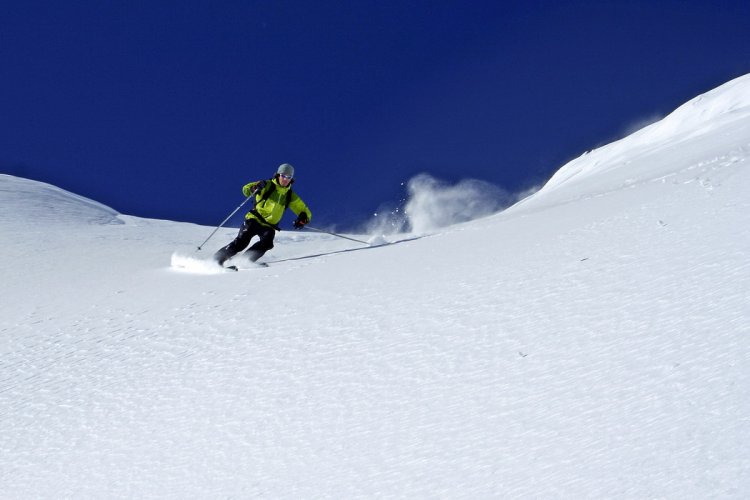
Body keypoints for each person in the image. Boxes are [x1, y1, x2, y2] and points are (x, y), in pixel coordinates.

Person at [213, 163, 311, 267]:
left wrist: (303, 218)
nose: (285, 179)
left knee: (267, 243)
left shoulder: (290, 195)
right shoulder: (267, 185)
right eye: (283, 175)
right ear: (278, 175)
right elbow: (246, 189)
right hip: (254, 219)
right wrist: (254, 187)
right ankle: (217, 260)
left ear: (291, 179)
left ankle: (244, 261)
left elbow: (303, 209)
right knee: (241, 242)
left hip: (269, 226)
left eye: (288, 177)